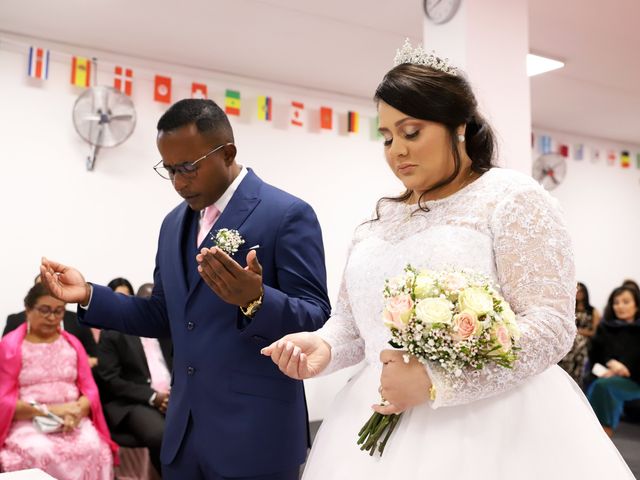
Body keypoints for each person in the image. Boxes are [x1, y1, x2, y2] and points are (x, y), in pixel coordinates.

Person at [261, 41, 633, 478]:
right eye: (386, 137)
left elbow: (551, 325)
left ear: (459, 127)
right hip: (374, 414)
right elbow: (355, 326)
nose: (396, 150)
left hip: (495, 427)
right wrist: (323, 346)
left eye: (411, 132)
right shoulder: (377, 220)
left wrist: (441, 380)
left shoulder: (512, 198)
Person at [40, 98, 331, 480]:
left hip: (255, 432)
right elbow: (163, 312)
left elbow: (316, 314)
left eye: (188, 168)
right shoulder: (172, 224)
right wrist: (91, 295)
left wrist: (256, 300)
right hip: (184, 431)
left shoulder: (286, 214)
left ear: (227, 152)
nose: (179, 183)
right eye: (170, 170)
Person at [0, 283, 118, 478]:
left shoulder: (72, 344)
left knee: (94, 446)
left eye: (58, 311)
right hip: (29, 421)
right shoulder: (10, 347)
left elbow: (90, 390)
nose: (52, 317)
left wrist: (78, 410)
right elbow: (4, 401)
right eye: (45, 310)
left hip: (73, 420)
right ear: (28, 309)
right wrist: (51, 411)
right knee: (39, 451)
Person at [96, 277, 172, 474]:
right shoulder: (113, 333)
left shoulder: (169, 331)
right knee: (162, 435)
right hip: (133, 402)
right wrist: (154, 397)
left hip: (174, 397)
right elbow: (110, 380)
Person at [4, 274, 98, 367]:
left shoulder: (77, 320)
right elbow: (4, 357)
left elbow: (95, 356)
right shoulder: (15, 320)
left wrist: (82, 363)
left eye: (53, 288)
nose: (51, 318)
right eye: (42, 288)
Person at [587, 286, 640, 437]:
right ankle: (593, 431)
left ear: (636, 305)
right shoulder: (605, 328)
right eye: (616, 302)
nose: (620, 306)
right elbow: (595, 356)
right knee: (599, 385)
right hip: (606, 375)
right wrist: (609, 364)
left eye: (626, 301)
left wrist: (627, 369)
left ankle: (602, 433)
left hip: (636, 379)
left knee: (604, 387)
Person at [559, 282, 601, 386]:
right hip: (570, 338)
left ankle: (575, 376)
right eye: (576, 290)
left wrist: (580, 332)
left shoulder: (593, 311)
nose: (578, 292)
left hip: (585, 340)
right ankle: (564, 374)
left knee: (579, 341)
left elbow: (595, 331)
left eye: (581, 290)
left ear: (585, 292)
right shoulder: (569, 309)